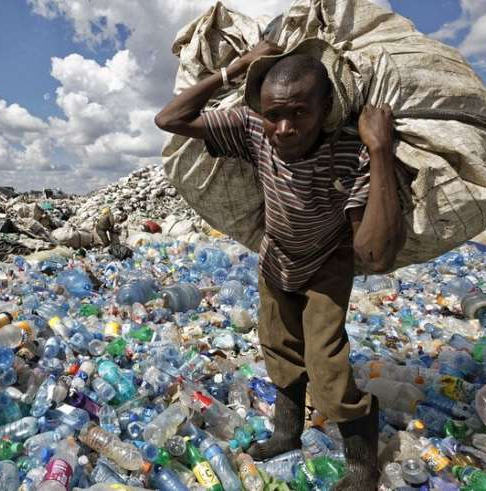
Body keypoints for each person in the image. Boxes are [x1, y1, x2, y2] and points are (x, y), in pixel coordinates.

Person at [154, 39, 405, 490]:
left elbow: (373, 253)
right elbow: (169, 119)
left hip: (327, 267)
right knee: (279, 352)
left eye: (299, 113)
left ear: (326, 107)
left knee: (327, 369)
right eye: (274, 114)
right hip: (276, 261)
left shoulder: (349, 152)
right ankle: (286, 434)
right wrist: (237, 68)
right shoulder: (254, 131)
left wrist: (381, 150)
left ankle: (362, 464)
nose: (285, 128)